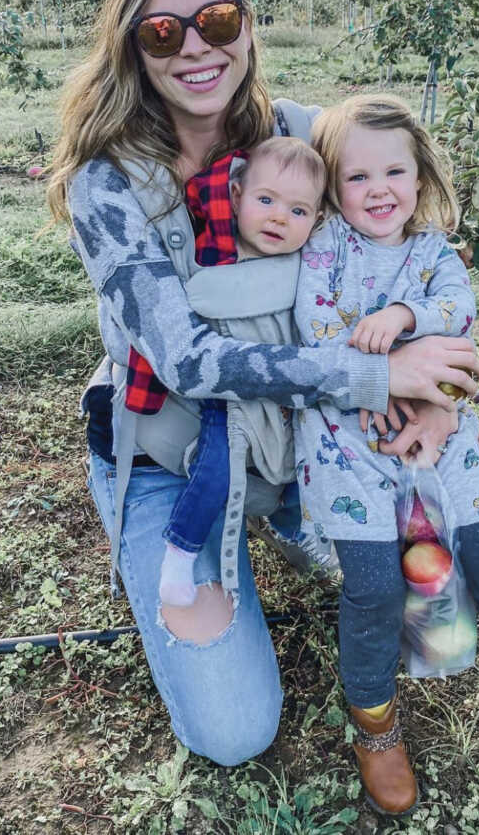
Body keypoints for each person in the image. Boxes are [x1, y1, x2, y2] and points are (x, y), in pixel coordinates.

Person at [46, 0, 479, 768]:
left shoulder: (303, 136)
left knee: (431, 594)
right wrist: (376, 372)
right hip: (173, 453)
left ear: (248, 24)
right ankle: (213, 537)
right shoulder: (108, 185)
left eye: (217, 18)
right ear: (133, 47)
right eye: (164, 32)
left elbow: (414, 240)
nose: (198, 47)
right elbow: (188, 360)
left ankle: (294, 516)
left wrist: (433, 385)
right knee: (235, 729)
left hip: (294, 433)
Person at [294, 94, 479, 816]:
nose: (378, 191)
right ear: (334, 186)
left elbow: (459, 316)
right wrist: (377, 370)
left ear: (420, 174)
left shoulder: (433, 254)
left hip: (441, 440)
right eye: (357, 177)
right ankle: (375, 723)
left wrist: (403, 317)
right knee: (373, 587)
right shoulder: (325, 246)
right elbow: (313, 324)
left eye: (393, 171)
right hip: (350, 448)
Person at [156, 137, 327, 607]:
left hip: (295, 399)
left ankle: (304, 536)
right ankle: (180, 551)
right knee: (216, 472)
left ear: (317, 220)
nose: (277, 217)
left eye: (298, 211)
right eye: (265, 200)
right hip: (231, 396)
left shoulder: (310, 263)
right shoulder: (219, 246)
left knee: (308, 475)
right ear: (236, 197)